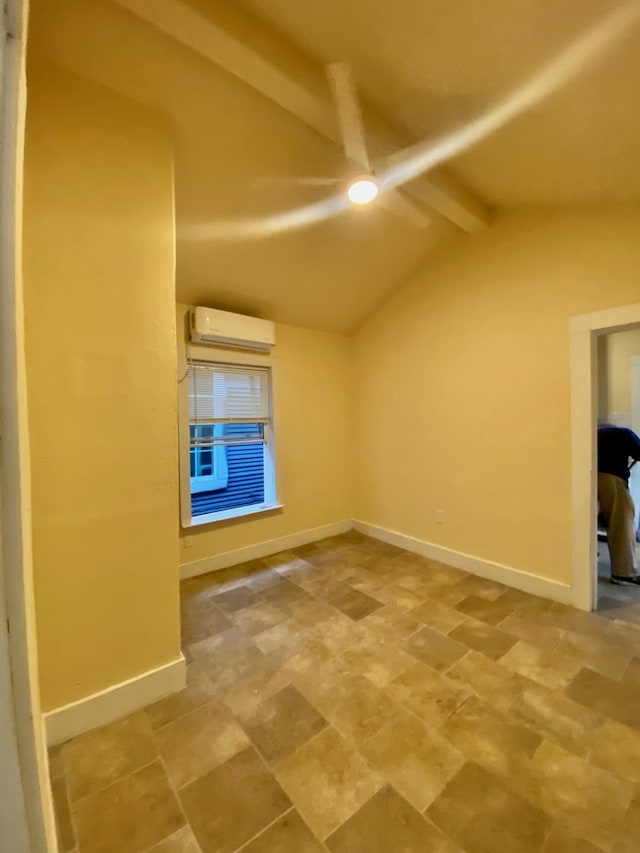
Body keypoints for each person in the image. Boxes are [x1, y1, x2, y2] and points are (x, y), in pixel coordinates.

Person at [597, 424, 640, 585]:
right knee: (622, 523)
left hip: (589, 476)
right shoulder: (625, 433)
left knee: (591, 520)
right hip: (611, 479)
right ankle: (624, 573)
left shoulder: (595, 433)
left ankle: (587, 558)